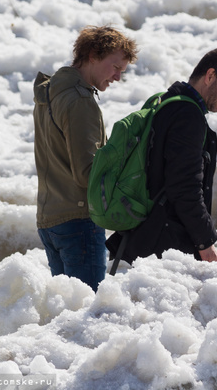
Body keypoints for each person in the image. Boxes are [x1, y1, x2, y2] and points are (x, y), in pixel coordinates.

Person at [110, 46, 217, 265]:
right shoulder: (188, 116)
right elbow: (184, 187)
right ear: (210, 76)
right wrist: (205, 243)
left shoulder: (167, 101)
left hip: (142, 237)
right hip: (165, 248)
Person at [33, 25, 138, 291]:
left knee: (67, 312)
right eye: (115, 67)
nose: (117, 77)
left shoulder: (49, 93)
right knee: (87, 316)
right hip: (77, 220)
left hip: (50, 218)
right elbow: (88, 172)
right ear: (92, 55)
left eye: (122, 71)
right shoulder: (80, 101)